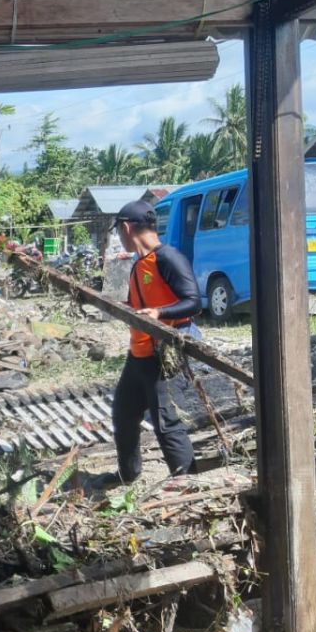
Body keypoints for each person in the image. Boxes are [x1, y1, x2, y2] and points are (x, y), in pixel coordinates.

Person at [94, 200, 201, 489]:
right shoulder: (139, 265)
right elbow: (138, 306)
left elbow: (193, 302)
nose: (120, 235)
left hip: (164, 353)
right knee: (124, 413)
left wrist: (160, 313)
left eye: (118, 230)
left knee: (165, 419)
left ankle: (185, 481)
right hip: (139, 353)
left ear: (127, 227)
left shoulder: (167, 258)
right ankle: (128, 474)